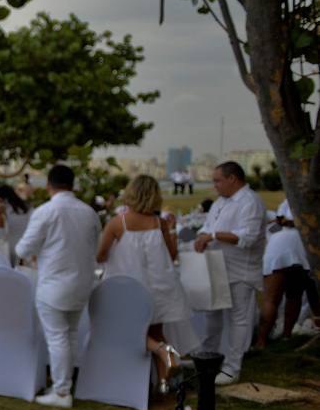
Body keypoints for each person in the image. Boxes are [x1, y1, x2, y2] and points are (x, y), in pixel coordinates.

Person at [15, 164, 101, 408]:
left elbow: (23, 249)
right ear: (72, 185)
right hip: (82, 282)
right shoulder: (89, 212)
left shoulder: (46, 211)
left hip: (54, 283)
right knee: (70, 334)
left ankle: (62, 391)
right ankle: (65, 384)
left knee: (57, 337)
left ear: (49, 185)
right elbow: (95, 246)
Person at [97, 175, 191, 392]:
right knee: (156, 332)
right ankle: (164, 383)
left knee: (124, 327)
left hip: (128, 287)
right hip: (158, 286)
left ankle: (156, 357)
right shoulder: (159, 223)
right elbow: (172, 254)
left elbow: (100, 256)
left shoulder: (117, 223)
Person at [194, 161, 266, 385]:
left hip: (240, 270)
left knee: (239, 319)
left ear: (232, 179)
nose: (214, 185)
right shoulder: (219, 202)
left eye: (217, 180)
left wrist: (213, 236)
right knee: (212, 314)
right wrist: (202, 237)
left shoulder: (250, 202)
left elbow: (248, 237)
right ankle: (207, 355)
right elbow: (208, 226)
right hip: (216, 266)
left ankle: (232, 368)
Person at [257, 198, 319, 344]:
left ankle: (261, 341)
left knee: (271, 299)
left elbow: (282, 221)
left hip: (282, 243)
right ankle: (286, 336)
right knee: (294, 295)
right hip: (304, 245)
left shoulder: (291, 198)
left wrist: (283, 222)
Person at [0, 183, 31, 258]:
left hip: (9, 246)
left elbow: (2, 232)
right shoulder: (26, 207)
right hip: (25, 244)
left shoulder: (4, 209)